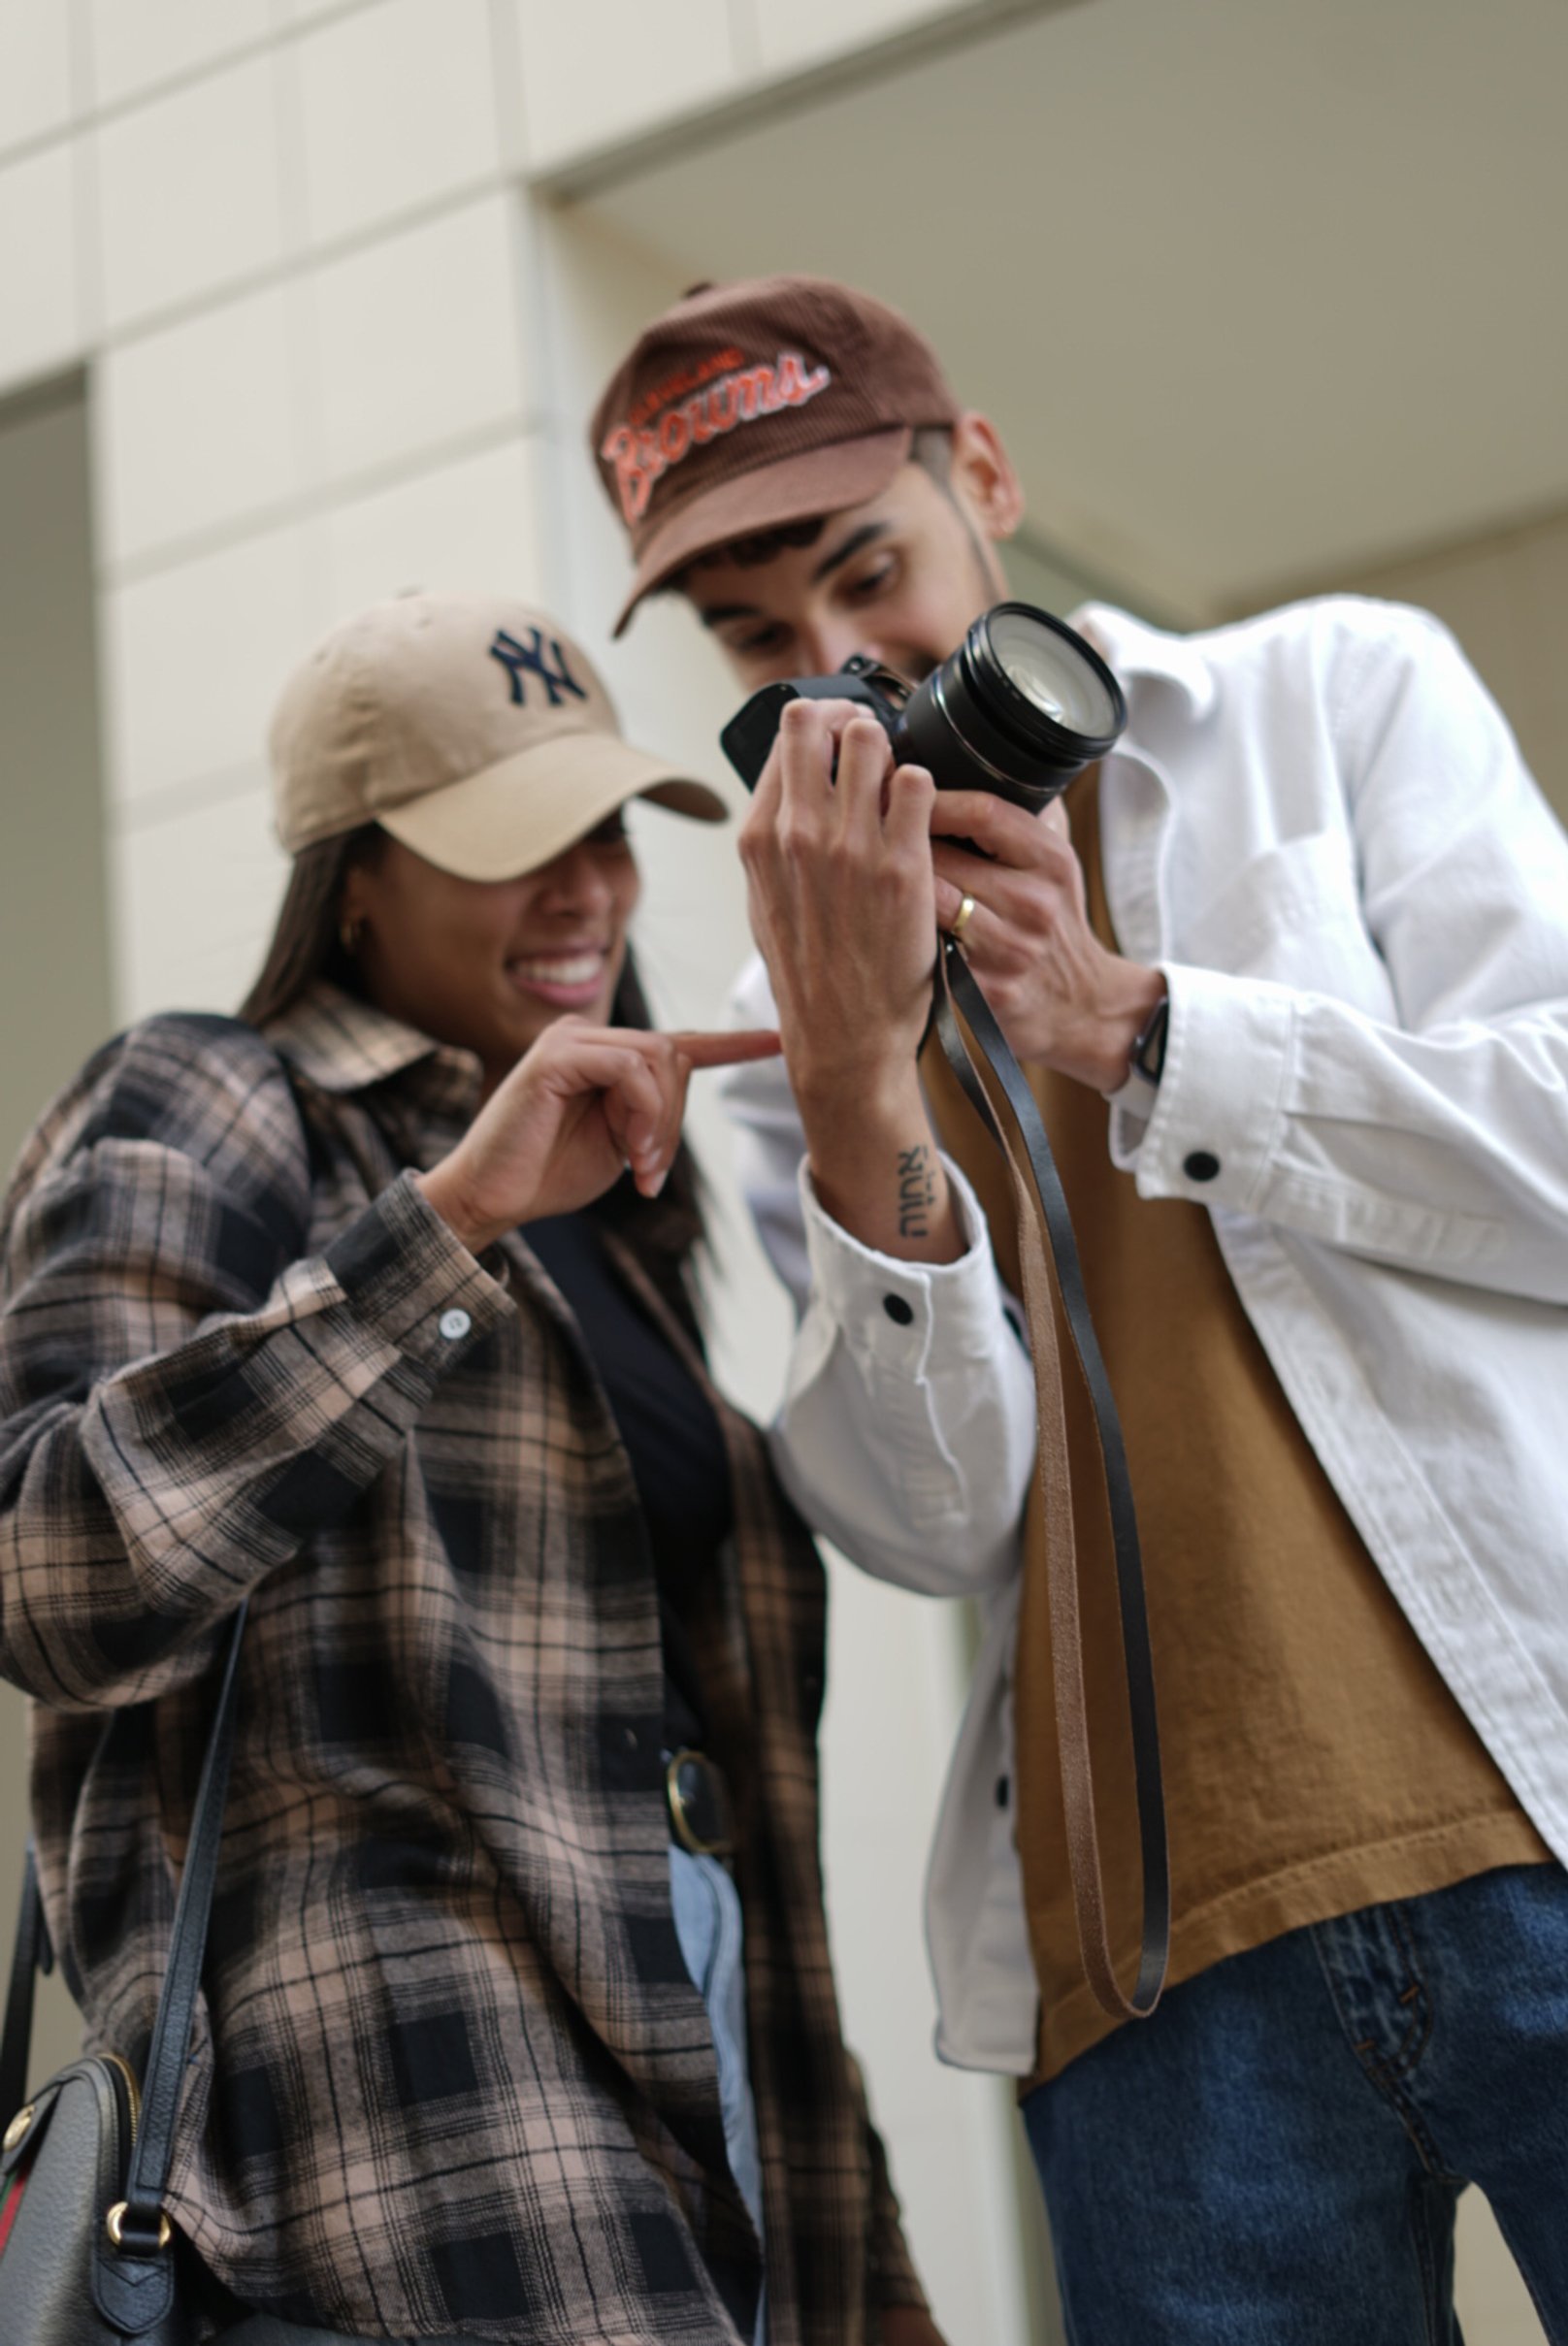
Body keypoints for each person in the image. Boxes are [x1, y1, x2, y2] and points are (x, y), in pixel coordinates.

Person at [590, 277, 1568, 2341]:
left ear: (994, 485)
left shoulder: (1332, 698)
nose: (839, 670)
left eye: (869, 572)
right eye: (756, 644)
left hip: (1538, 1820)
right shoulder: (799, 1026)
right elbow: (932, 1525)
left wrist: (1139, 1028)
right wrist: (858, 1090)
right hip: (1150, 1979)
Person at [0, 592, 1031, 2344]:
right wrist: (453, 1219)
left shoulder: (626, 1216)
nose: (586, 893)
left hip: (709, 2032)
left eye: (606, 829)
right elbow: (51, 1572)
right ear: (355, 882)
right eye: (510, 842)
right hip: (412, 2094)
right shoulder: (221, 1092)